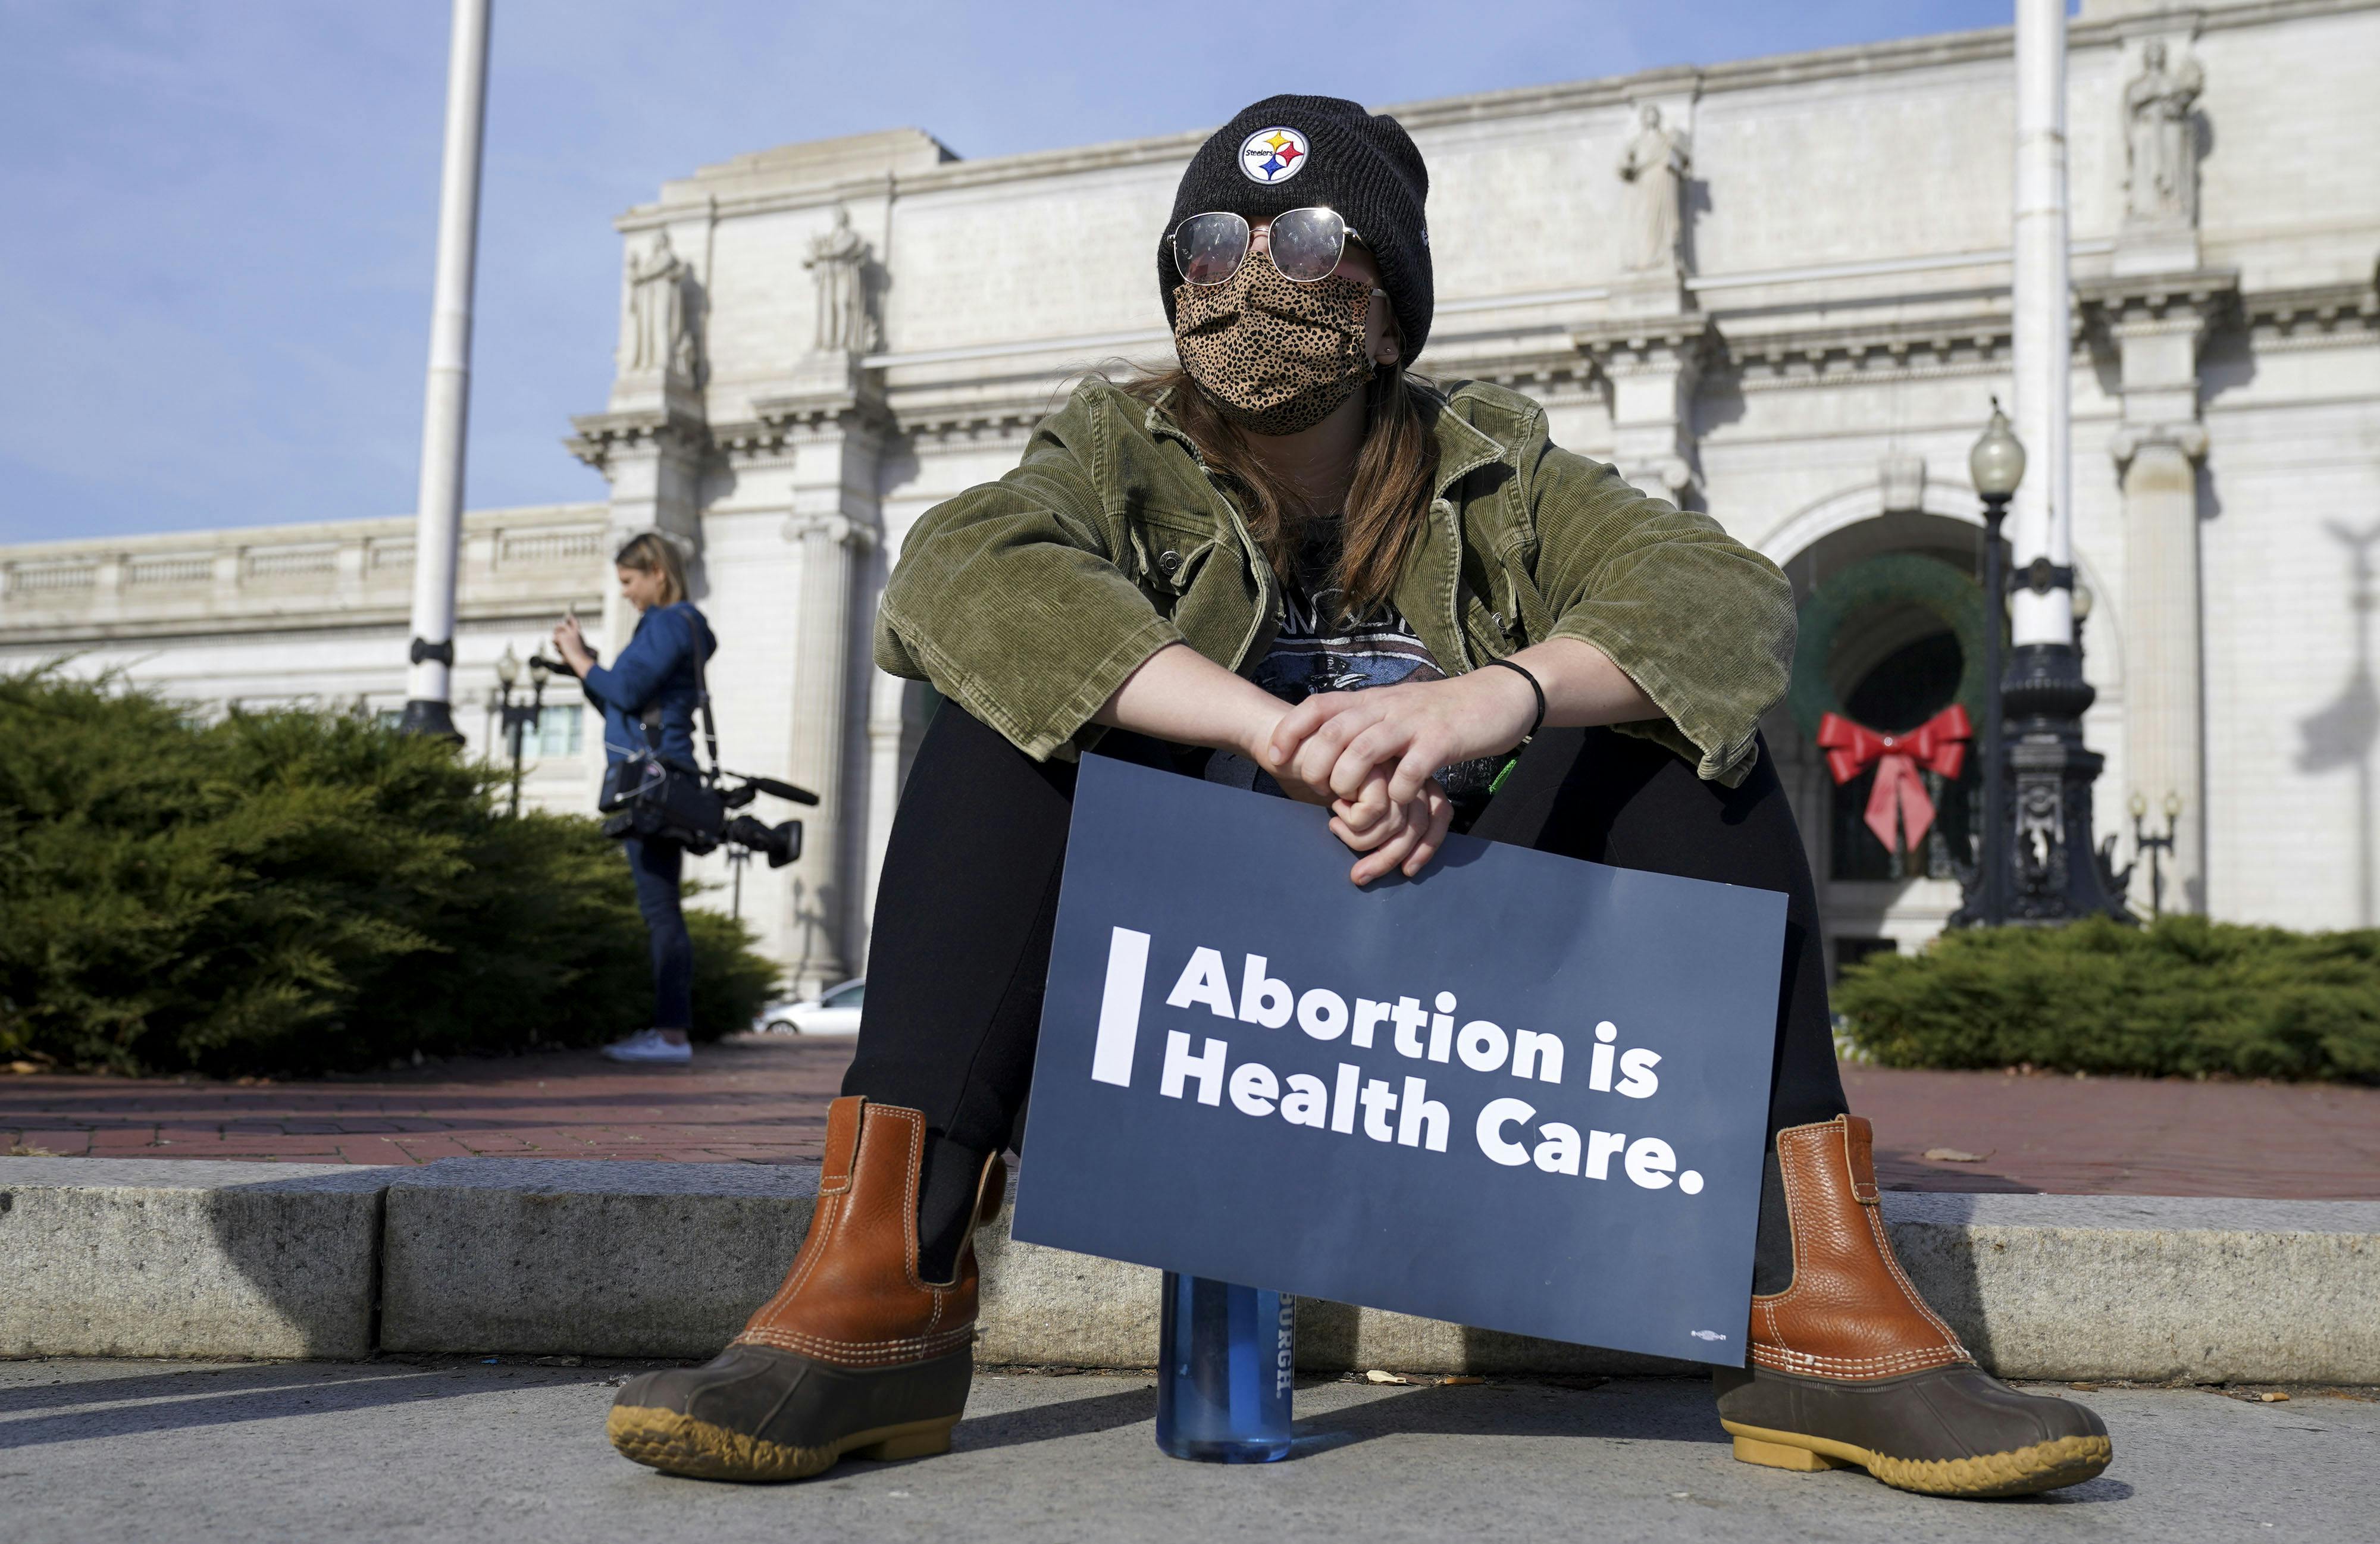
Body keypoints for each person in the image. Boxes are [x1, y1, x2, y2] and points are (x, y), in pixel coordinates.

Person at [605, 96, 2110, 1498]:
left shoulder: (1498, 474)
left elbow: (1717, 598)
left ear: (1385, 299)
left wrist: (1480, 709)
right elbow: (960, 572)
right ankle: (876, 1283)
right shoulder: (1110, 453)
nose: (1249, 278)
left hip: (1468, 1002)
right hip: (1192, 1010)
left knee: (1681, 724)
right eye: (1210, 247)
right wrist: (1274, 734)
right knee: (1007, 717)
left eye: (1309, 243)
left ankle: (1817, 1300)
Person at [552, 532, 716, 1067]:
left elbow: (622, 694)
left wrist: (581, 659)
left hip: (653, 782)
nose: (625, 593)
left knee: (660, 911)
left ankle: (671, 1035)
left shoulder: (668, 623)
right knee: (663, 908)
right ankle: (670, 1030)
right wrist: (591, 666)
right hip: (664, 776)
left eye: (629, 581)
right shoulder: (684, 627)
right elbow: (625, 707)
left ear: (657, 574)